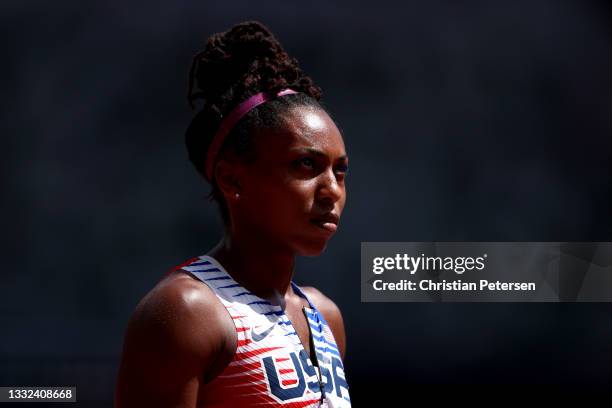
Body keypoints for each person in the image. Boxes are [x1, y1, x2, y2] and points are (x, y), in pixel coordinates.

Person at [115, 21, 351, 408]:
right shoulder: (187, 312)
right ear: (231, 179)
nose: (332, 191)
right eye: (306, 165)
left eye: (339, 171)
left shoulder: (325, 318)